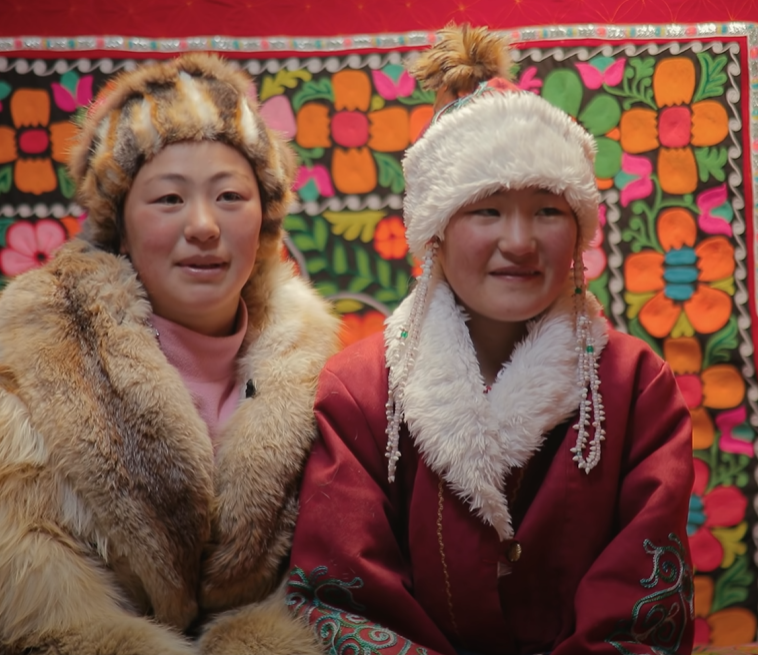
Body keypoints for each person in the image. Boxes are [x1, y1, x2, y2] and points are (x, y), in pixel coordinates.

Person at [0, 54, 339, 655]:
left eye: (231, 195)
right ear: (120, 225)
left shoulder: (320, 368)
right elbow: (3, 595)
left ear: (265, 219)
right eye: (168, 199)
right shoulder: (34, 364)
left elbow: (342, 569)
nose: (205, 225)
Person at [286, 25, 695, 655]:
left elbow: (641, 606)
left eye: (548, 210)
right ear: (435, 231)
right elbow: (342, 598)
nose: (521, 242)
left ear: (581, 229)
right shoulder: (360, 391)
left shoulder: (636, 386)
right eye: (487, 209)